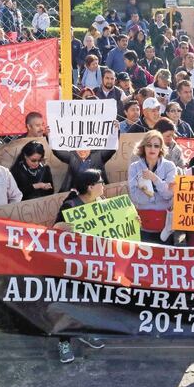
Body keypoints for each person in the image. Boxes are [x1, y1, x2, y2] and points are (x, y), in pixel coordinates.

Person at [53, 169, 108, 362]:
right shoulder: (70, 205)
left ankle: (86, 332)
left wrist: (132, 221)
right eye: (101, 182)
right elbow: (54, 231)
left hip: (93, 264)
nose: (104, 185)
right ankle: (64, 341)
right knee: (69, 302)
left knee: (89, 301)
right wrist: (61, 228)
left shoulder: (103, 204)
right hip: (71, 264)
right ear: (90, 187)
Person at [127, 131, 176, 243]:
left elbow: (168, 194)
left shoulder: (170, 166)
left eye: (156, 145)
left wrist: (154, 179)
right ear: (143, 147)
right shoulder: (134, 167)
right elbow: (136, 197)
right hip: (143, 223)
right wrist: (155, 195)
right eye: (149, 145)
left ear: (161, 148)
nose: (152, 148)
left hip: (165, 225)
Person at [52, 142, 117, 194]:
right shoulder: (72, 157)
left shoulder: (98, 156)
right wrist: (48, 136)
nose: (82, 151)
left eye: (85, 148)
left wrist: (116, 131)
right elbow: (57, 151)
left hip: (96, 194)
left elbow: (112, 148)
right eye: (79, 148)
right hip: (77, 195)